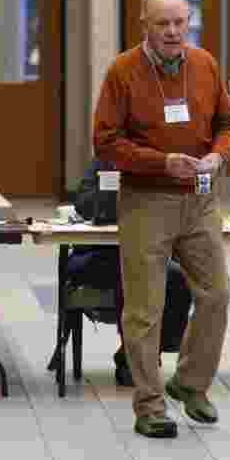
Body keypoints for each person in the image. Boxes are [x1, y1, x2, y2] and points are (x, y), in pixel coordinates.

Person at [92, 0, 230, 439]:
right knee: (145, 309)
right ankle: (150, 405)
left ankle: (190, 383)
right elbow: (105, 141)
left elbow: (228, 124)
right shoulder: (123, 71)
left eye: (180, 22)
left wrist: (218, 155)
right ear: (145, 26)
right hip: (146, 199)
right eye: (163, 23)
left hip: (199, 198)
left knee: (216, 294)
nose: (174, 31)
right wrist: (161, 162)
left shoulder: (204, 64)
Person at [64, 160, 192, 387]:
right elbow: (81, 203)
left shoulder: (155, 166)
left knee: (178, 277)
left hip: (146, 252)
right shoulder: (103, 163)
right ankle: (135, 359)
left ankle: (148, 353)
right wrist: (117, 197)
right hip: (99, 256)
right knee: (132, 272)